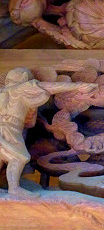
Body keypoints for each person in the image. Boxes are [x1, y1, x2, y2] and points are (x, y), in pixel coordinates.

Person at [0, 68, 95, 197]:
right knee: (20, 157)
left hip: (5, 126)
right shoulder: (21, 88)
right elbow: (48, 87)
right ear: (23, 77)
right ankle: (14, 188)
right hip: (10, 127)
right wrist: (78, 86)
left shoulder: (2, 91)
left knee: (3, 156)